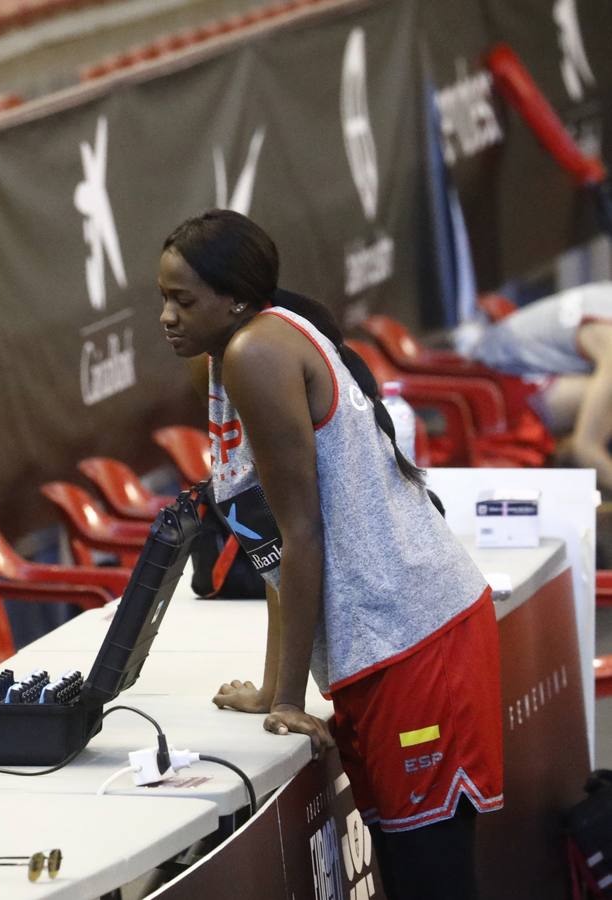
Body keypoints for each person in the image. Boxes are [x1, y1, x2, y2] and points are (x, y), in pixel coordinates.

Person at [159, 210, 501, 900]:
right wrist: (271, 690)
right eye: (162, 298)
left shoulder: (258, 352)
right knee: (406, 875)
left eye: (183, 300)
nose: (167, 316)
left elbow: (302, 530)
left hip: (412, 639)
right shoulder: (241, 347)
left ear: (234, 298)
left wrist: (290, 697)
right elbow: (276, 549)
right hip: (387, 644)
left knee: (431, 881)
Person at [461, 282, 612, 494]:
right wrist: (589, 451)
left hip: (500, 371)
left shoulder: (605, 299)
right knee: (604, 401)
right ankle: (574, 457)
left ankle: (564, 454)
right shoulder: (606, 329)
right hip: (500, 384)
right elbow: (586, 448)